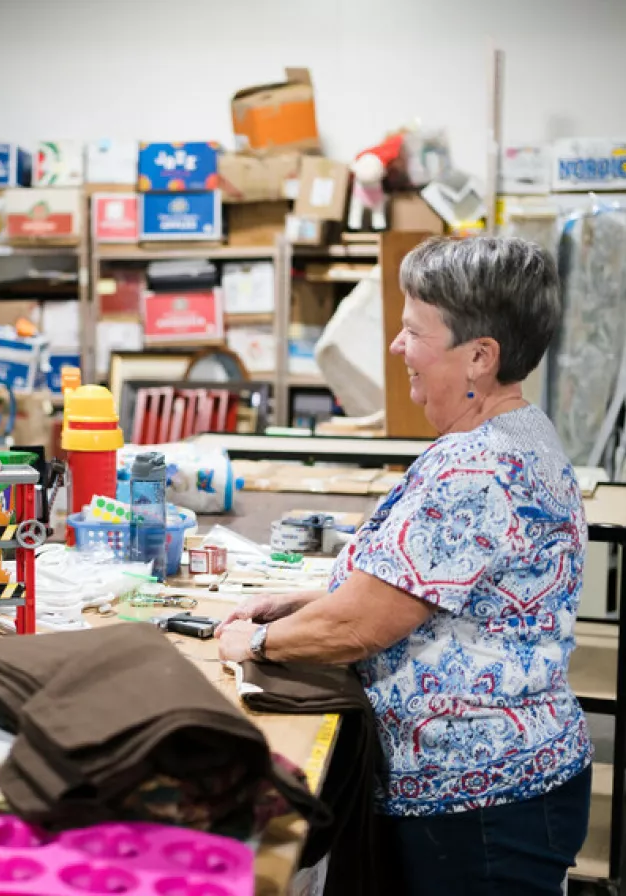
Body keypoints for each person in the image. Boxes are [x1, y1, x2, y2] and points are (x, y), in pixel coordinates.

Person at [217, 236, 591, 894]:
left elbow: (366, 623)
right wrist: (310, 600)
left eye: (413, 330)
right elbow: (441, 586)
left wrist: (259, 641)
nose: (396, 348)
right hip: (514, 784)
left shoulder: (475, 466)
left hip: (481, 808)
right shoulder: (519, 431)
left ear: (480, 356)